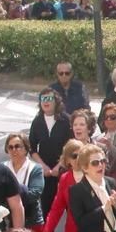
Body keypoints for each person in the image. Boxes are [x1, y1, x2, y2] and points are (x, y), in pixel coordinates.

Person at [3, 132, 61, 232]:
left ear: (26, 148)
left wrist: (10, 191)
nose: (14, 150)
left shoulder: (35, 169)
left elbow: (34, 194)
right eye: (11, 147)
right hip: (8, 222)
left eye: (18, 146)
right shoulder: (3, 168)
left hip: (33, 221)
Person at [29, 89, 73, 219]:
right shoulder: (37, 122)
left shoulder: (66, 120)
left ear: (56, 101)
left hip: (64, 169)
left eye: (49, 99)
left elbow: (71, 145)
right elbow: (31, 147)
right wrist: (42, 166)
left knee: (70, 208)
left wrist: (60, 165)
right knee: (46, 210)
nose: (46, 102)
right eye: (43, 99)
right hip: (46, 172)